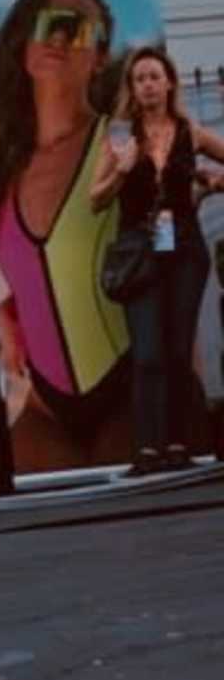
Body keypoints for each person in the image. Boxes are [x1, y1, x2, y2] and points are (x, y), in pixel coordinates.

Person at [0, 0, 131, 474]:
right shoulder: (0, 166)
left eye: (78, 29)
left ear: (100, 56)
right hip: (40, 403)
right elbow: (6, 277)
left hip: (128, 387)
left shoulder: (120, 145)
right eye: (49, 26)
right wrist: (5, 319)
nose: (60, 39)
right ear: (24, 46)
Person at [88, 44, 224, 473]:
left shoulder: (190, 132)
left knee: (178, 348)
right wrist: (123, 169)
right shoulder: (120, 136)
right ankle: (148, 448)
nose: (147, 85)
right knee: (147, 351)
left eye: (154, 77)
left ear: (168, 84)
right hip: (139, 251)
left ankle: (180, 445)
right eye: (140, 78)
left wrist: (211, 182)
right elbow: (95, 200)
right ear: (132, 88)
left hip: (184, 248)